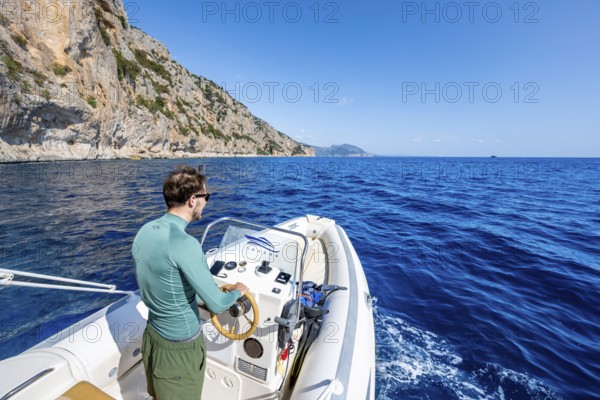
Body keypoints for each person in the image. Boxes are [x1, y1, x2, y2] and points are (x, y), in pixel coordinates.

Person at [132, 165, 248, 400]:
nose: (207, 202)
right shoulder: (185, 243)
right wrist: (236, 292)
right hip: (180, 347)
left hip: (153, 336)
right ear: (193, 200)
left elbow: (165, 281)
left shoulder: (145, 230)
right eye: (206, 196)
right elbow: (216, 303)